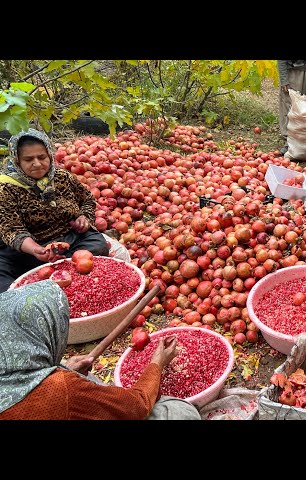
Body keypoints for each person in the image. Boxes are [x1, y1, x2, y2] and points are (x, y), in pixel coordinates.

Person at [0, 279, 202, 420]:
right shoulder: (59, 388)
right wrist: (157, 363)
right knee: (179, 411)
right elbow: (136, 408)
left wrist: (67, 369)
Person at [0, 128, 109, 293]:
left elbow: (87, 199)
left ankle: (55, 272)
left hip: (67, 239)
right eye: (28, 159)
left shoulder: (62, 178)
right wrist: (36, 249)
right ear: (17, 161)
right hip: (29, 250)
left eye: (42, 157)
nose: (37, 164)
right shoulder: (6, 187)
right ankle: (56, 271)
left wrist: (84, 218)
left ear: (50, 155)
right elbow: (11, 229)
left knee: (98, 245)